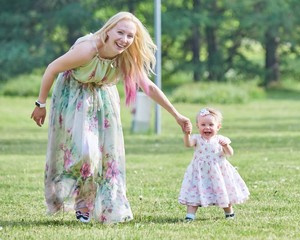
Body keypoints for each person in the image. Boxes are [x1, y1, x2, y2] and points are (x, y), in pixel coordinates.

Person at [30, 11, 191, 224]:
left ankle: (87, 206)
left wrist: (177, 116)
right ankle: (75, 198)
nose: (124, 40)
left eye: (130, 36)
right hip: (74, 97)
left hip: (104, 100)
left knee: (106, 155)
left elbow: (149, 87)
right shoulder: (87, 50)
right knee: (85, 151)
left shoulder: (125, 56)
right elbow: (52, 68)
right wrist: (41, 104)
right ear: (108, 30)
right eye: (120, 32)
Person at [178, 107, 250, 221]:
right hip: (199, 172)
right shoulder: (196, 139)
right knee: (195, 191)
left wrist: (226, 146)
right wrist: (186, 134)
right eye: (203, 125)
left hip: (218, 171)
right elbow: (188, 144)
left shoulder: (220, 139)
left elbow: (230, 153)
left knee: (223, 191)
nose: (207, 127)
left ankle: (229, 213)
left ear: (218, 126)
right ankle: (190, 215)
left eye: (211, 125)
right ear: (198, 126)